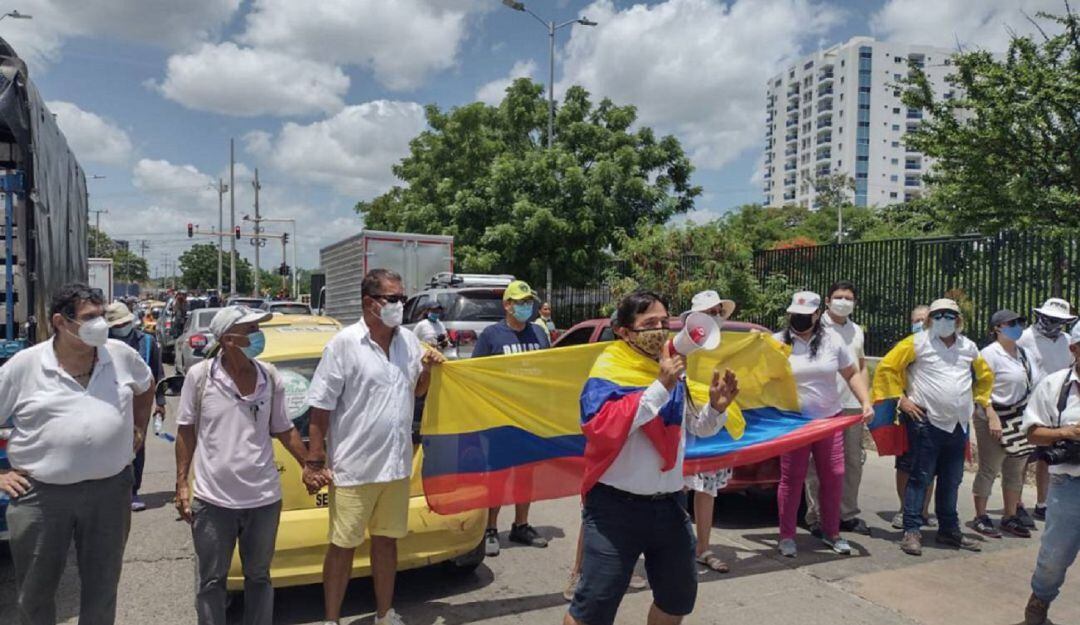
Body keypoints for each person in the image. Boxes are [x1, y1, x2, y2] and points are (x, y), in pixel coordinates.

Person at [565, 290, 740, 625]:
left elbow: (693, 427)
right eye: (649, 323)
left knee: (677, 600)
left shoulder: (672, 368)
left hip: (670, 507)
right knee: (593, 610)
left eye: (664, 321)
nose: (660, 329)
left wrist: (716, 408)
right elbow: (601, 427)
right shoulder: (609, 369)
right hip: (615, 510)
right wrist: (660, 385)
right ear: (625, 331)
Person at [0, 283, 154, 625]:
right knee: (35, 594)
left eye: (101, 316)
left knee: (102, 590)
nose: (99, 324)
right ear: (60, 321)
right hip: (41, 496)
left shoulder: (121, 356)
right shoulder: (25, 366)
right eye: (88, 318)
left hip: (109, 491)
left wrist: (139, 428)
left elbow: (146, 386)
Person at [305, 269, 444, 625]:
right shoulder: (344, 344)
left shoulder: (409, 342)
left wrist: (429, 371)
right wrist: (315, 460)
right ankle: (331, 620)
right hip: (354, 468)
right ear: (370, 302)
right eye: (394, 298)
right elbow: (320, 407)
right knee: (342, 547)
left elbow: (415, 391)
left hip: (395, 467)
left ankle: (385, 614)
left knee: (386, 543)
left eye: (402, 298)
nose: (401, 304)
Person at [174, 306, 321, 625]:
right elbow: (186, 431)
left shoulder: (269, 376)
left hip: (264, 500)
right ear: (228, 339)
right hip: (214, 502)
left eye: (257, 328)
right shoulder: (200, 378)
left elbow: (284, 427)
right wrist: (182, 483)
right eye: (250, 330)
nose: (258, 335)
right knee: (212, 581)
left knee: (259, 578)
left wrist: (307, 464)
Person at [876, 298, 993, 556]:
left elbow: (985, 376)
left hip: (957, 426)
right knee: (920, 477)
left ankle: (949, 530)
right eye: (938, 315)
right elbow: (887, 368)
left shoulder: (969, 347)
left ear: (959, 320)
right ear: (929, 320)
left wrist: (980, 400)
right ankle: (911, 530)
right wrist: (901, 399)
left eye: (950, 316)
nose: (944, 320)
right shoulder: (916, 343)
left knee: (952, 480)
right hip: (925, 422)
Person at [773, 291, 874, 558]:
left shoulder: (832, 341)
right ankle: (786, 536)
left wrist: (865, 401)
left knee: (834, 475)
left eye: (806, 316)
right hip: (793, 422)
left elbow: (851, 373)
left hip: (829, 420)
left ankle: (832, 533)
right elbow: (758, 376)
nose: (800, 320)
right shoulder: (776, 343)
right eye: (796, 315)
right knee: (791, 479)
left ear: (817, 315)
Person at [473, 280, 551, 556]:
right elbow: (476, 374)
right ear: (507, 305)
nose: (525, 307)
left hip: (529, 417)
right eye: (519, 302)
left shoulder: (540, 334)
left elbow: (549, 372)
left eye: (528, 301)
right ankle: (490, 528)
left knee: (526, 473)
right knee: (497, 474)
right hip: (500, 418)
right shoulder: (491, 336)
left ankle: (521, 524)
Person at [1021, 322, 1080, 625]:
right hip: (1068, 484)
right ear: (1074, 349)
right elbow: (1032, 433)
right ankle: (1037, 607)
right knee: (1054, 558)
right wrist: (1065, 432)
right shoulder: (1054, 385)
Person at [804, 281, 871, 536]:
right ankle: (816, 516)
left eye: (849, 297)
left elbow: (861, 366)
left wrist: (866, 399)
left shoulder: (856, 330)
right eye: (839, 297)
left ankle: (847, 513)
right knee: (818, 465)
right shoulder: (815, 327)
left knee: (853, 462)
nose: (844, 301)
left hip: (852, 407)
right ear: (828, 300)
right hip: (822, 407)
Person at [681, 290, 736, 573]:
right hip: (685, 424)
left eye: (718, 311)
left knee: (708, 490)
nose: (716, 316)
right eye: (710, 312)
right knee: (675, 490)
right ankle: (673, 547)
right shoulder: (682, 345)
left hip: (715, 424)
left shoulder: (733, 346)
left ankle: (703, 547)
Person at [972, 310, 1035, 538]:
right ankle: (980, 515)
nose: (1018, 326)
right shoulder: (988, 354)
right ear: (997, 328)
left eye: (1021, 322)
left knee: (1015, 470)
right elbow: (980, 388)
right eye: (1012, 323)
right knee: (990, 467)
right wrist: (990, 414)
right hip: (993, 417)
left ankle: (1010, 515)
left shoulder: (1024, 354)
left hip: (1017, 418)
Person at [1018, 297, 1078, 523]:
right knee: (1023, 457)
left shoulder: (1067, 340)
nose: (1053, 323)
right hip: (1030, 404)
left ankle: (1042, 503)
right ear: (1040, 316)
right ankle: (1017, 502)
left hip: (1059, 403)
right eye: (1050, 318)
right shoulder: (1025, 338)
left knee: (1048, 457)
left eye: (1058, 320)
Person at [105, 301, 167, 512]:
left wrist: (160, 403)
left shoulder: (147, 342)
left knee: (136, 444)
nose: (121, 328)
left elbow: (157, 374)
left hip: (140, 402)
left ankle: (133, 491)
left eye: (123, 323)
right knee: (110, 444)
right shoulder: (102, 344)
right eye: (116, 325)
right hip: (111, 402)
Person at [892, 304, 935, 529]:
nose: (920, 323)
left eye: (924, 319)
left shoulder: (940, 346)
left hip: (936, 416)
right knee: (906, 464)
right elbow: (889, 375)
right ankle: (904, 508)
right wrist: (902, 400)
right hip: (910, 413)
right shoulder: (906, 347)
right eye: (916, 319)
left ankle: (923, 510)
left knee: (930, 466)